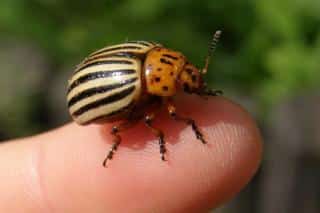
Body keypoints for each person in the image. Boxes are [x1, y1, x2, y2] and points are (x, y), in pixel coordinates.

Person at [0, 95, 262, 212]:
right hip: (93, 98)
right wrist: (161, 138)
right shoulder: (151, 94)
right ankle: (119, 142)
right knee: (147, 119)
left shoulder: (155, 77)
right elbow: (160, 115)